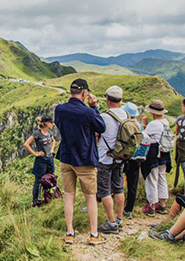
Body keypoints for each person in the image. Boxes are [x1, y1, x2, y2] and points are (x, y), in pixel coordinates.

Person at [55, 79, 107, 245]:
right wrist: (94, 107)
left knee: (69, 195)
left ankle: (69, 232)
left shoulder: (60, 109)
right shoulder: (88, 112)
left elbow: (59, 124)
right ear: (84, 93)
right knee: (90, 196)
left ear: (70, 91)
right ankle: (93, 234)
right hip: (85, 158)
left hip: (66, 156)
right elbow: (101, 127)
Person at [97, 86, 127, 234]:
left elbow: (96, 135)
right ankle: (119, 219)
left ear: (107, 99)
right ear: (120, 100)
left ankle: (111, 223)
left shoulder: (104, 117)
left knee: (104, 190)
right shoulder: (126, 115)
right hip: (120, 157)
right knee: (118, 187)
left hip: (105, 157)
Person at [141, 100, 172, 217]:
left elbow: (144, 136)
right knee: (161, 176)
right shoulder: (166, 122)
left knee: (152, 178)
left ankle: (152, 205)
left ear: (153, 112)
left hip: (154, 153)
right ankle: (162, 203)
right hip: (164, 152)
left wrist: (143, 124)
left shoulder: (153, 124)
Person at [24, 116, 56, 207]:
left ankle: (50, 196)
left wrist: (52, 150)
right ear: (46, 123)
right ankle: (35, 201)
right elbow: (26, 144)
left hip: (49, 159)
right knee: (38, 181)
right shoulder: (37, 133)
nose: (52, 124)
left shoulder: (49, 132)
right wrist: (35, 153)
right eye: (51, 122)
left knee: (51, 178)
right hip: (41, 161)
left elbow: (53, 141)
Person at [122, 102, 142, 219]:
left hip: (126, 157)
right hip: (137, 157)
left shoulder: (126, 125)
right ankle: (129, 209)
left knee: (117, 180)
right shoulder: (140, 125)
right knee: (132, 184)